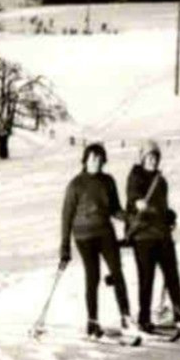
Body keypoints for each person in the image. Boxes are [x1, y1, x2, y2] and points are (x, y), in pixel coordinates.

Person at [59, 143, 132, 338]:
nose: (97, 163)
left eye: (100, 159)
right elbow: (66, 216)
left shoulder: (108, 181)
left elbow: (115, 209)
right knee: (93, 276)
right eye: (93, 159)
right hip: (84, 236)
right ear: (85, 160)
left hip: (105, 232)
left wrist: (129, 217)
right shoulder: (76, 184)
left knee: (117, 273)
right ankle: (92, 322)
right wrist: (65, 247)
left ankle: (126, 318)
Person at [125, 143, 180, 332]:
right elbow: (133, 197)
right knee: (147, 278)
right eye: (149, 157)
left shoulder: (161, 180)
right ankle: (144, 318)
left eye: (155, 157)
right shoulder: (135, 176)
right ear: (143, 158)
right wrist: (138, 202)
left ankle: (179, 313)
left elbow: (161, 205)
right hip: (143, 236)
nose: (153, 161)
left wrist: (168, 214)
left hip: (162, 234)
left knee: (172, 276)